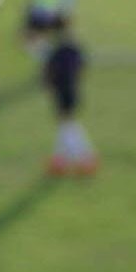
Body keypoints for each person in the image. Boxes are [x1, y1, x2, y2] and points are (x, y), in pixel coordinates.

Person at [44, 14, 98, 177]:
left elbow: (51, 73)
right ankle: (60, 160)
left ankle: (85, 157)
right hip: (73, 90)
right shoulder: (73, 47)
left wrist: (50, 84)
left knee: (67, 126)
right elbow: (82, 65)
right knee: (66, 125)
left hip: (63, 92)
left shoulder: (58, 50)